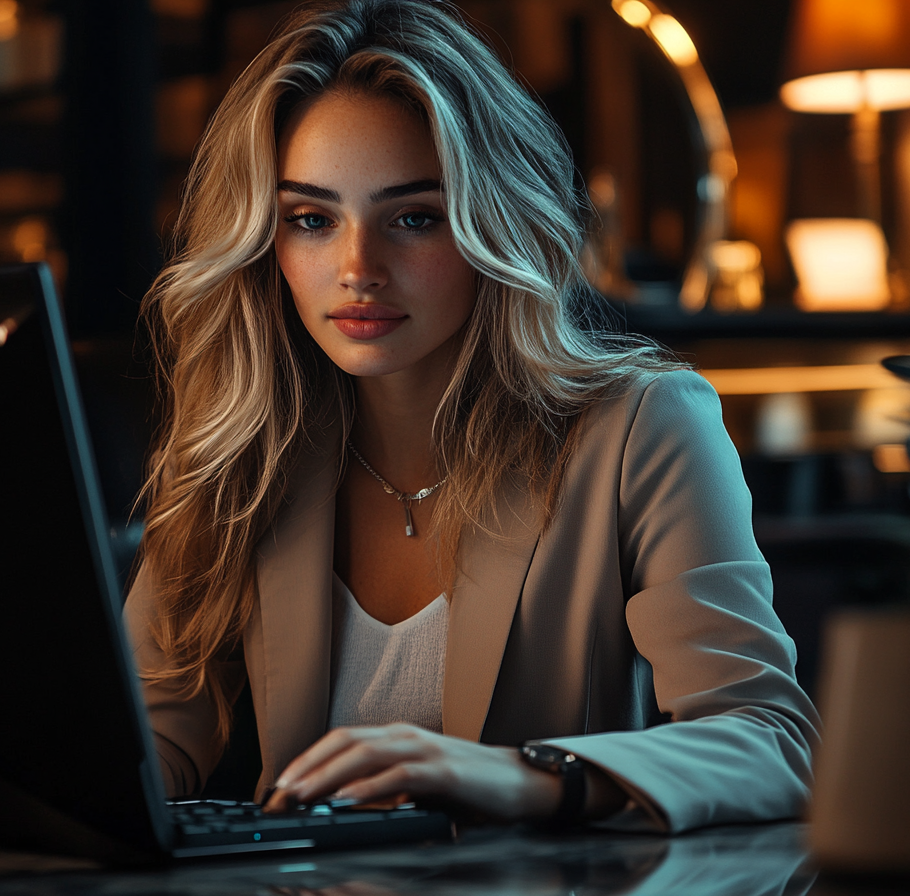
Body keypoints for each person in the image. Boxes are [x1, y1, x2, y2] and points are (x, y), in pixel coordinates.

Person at [125, 0, 819, 832]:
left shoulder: (643, 429)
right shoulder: (239, 448)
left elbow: (771, 742)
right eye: (311, 220)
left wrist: (524, 777)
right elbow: (145, 748)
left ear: (495, 222)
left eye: (414, 217)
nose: (358, 269)